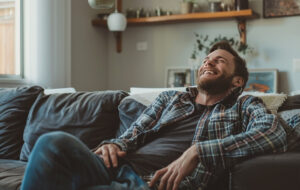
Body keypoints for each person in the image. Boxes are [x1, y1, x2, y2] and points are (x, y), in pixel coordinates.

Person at [21, 41, 287, 190]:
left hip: (150, 184)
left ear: (237, 81)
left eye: (219, 61)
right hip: (112, 168)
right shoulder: (171, 98)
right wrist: (115, 144)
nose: (208, 62)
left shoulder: (243, 106)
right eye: (207, 59)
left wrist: (199, 151)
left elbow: (274, 132)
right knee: (51, 141)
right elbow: (134, 133)